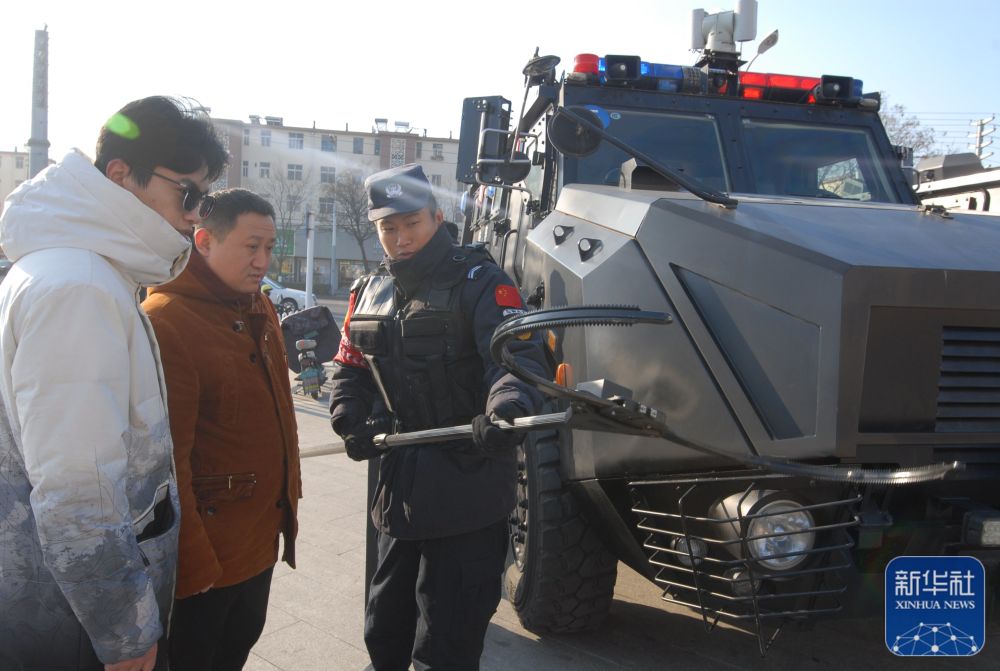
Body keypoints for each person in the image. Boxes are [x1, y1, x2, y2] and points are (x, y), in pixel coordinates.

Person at [0, 96, 227, 671]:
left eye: (205, 200)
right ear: (122, 174)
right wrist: (125, 631)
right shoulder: (78, 286)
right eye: (188, 194)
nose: (196, 216)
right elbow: (77, 489)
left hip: (58, 601)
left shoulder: (74, 269)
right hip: (76, 624)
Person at [329, 163, 550, 670]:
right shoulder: (368, 290)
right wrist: (348, 415)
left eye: (412, 224)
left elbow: (516, 360)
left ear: (437, 216)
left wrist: (505, 409)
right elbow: (350, 367)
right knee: (384, 628)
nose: (401, 238)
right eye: (389, 228)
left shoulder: (483, 281)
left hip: (469, 482)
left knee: (448, 640)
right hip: (398, 487)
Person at [142, 188, 301, 670]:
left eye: (269, 248)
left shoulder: (259, 306)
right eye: (251, 246)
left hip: (259, 542)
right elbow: (168, 464)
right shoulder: (168, 320)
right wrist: (195, 566)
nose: (263, 261)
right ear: (205, 240)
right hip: (207, 561)